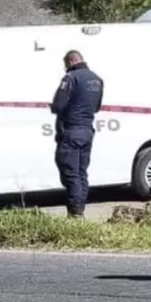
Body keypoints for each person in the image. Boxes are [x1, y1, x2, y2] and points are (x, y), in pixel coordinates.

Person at [51, 50, 104, 218]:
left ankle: (75, 212)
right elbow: (96, 107)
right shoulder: (96, 79)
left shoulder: (71, 78)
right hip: (87, 130)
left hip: (71, 131)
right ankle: (80, 210)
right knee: (81, 173)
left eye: (66, 65)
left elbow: (58, 105)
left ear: (70, 62)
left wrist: (54, 107)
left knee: (70, 172)